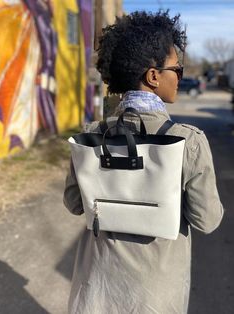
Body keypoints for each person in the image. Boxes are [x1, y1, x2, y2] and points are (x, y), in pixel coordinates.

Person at [63, 11, 224, 314]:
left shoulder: (91, 137)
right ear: (153, 76)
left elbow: (74, 203)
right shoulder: (188, 142)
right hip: (156, 298)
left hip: (95, 290)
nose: (180, 75)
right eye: (177, 68)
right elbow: (207, 220)